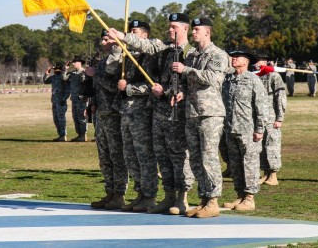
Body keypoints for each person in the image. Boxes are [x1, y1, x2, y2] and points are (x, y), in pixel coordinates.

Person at [110, 13, 195, 215]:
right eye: (169, 27)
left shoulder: (191, 53)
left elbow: (194, 83)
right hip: (159, 111)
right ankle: (168, 196)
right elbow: (146, 45)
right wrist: (123, 36)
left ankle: (182, 198)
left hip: (178, 111)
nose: (170, 30)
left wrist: (172, 92)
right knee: (162, 156)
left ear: (185, 29)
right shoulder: (164, 48)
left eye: (175, 27)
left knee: (179, 156)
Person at [171, 17, 229, 218]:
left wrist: (186, 70)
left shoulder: (218, 54)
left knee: (209, 157)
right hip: (192, 111)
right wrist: (182, 93)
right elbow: (189, 83)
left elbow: (213, 78)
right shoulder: (193, 55)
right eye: (193, 30)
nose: (193, 33)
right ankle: (204, 199)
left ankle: (213, 201)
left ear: (207, 32)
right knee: (195, 159)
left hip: (210, 113)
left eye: (196, 30)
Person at [106, 20, 159, 213]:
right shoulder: (128, 56)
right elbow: (110, 70)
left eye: (134, 32)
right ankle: (140, 193)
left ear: (144, 35)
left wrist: (129, 88)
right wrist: (116, 49)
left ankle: (149, 195)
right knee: (131, 157)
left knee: (144, 156)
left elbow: (153, 85)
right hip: (125, 112)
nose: (129, 34)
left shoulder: (151, 55)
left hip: (141, 112)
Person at [222, 48, 268, 212]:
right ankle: (240, 195)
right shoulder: (228, 79)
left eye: (237, 57)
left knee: (249, 164)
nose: (233, 59)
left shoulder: (253, 80)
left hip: (248, 130)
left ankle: (249, 198)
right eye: (233, 57)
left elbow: (261, 107)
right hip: (231, 128)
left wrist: (260, 129)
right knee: (235, 164)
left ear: (246, 61)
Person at [89, 30, 128, 210]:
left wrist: (96, 74)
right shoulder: (102, 62)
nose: (103, 41)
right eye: (102, 38)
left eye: (107, 38)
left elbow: (116, 87)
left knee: (116, 156)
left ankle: (119, 194)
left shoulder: (120, 60)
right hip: (101, 114)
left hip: (114, 114)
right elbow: (98, 89)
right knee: (104, 157)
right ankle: (110, 192)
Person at [253, 50, 287, 186]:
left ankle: (273, 175)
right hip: (259, 118)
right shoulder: (256, 76)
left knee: (271, 146)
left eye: (257, 61)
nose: (255, 64)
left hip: (271, 117)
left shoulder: (274, 76)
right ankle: (266, 173)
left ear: (265, 61)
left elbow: (281, 97)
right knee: (261, 147)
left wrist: (279, 118)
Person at [65, 57, 88, 142]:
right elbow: (64, 78)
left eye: (75, 62)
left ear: (80, 62)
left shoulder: (85, 72)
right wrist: (65, 69)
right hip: (74, 99)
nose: (73, 64)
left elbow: (87, 85)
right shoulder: (72, 73)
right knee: (75, 117)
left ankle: (83, 135)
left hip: (82, 99)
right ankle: (79, 134)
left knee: (82, 117)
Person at [44, 63, 69, 141]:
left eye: (58, 69)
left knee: (61, 119)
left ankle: (63, 135)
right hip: (54, 101)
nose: (56, 70)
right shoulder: (53, 77)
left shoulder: (64, 77)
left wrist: (64, 99)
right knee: (56, 119)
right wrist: (46, 74)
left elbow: (68, 90)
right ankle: (60, 135)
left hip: (61, 101)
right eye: (55, 69)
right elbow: (45, 81)